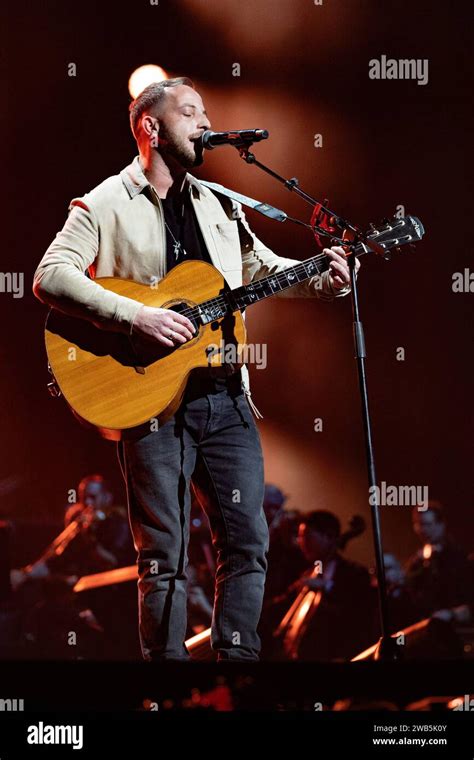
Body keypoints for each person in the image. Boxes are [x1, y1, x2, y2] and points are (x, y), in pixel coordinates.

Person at [33, 77, 358, 661]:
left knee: (248, 542)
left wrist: (325, 277)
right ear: (151, 128)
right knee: (163, 554)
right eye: (190, 112)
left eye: (206, 111)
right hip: (151, 400)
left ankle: (234, 672)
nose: (205, 122)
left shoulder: (221, 202)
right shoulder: (105, 201)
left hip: (227, 396)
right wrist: (136, 317)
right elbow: (51, 276)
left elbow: (261, 269)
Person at [271, 510, 374, 660]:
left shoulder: (355, 574)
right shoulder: (308, 573)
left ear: (329, 537)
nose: (301, 542)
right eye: (299, 536)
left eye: (307, 536)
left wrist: (327, 586)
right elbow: (281, 603)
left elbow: (358, 613)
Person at [405, 502, 472, 624]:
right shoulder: (416, 562)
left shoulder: (459, 557)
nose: (423, 530)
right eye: (418, 525)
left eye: (428, 524)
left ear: (441, 524)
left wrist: (452, 613)